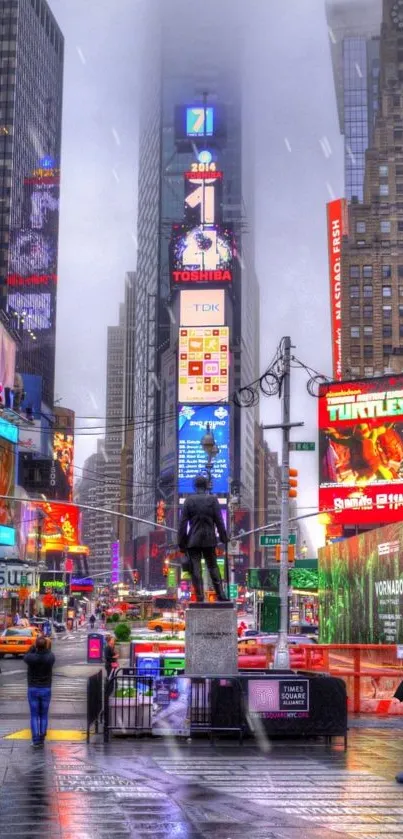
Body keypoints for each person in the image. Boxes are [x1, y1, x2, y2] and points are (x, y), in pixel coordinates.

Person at [178, 474, 229, 602]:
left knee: (195, 568)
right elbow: (219, 521)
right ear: (206, 486)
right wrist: (223, 537)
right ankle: (221, 594)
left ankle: (199, 597)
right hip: (209, 539)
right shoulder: (212, 500)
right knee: (213, 567)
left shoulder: (189, 501)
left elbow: (182, 524)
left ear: (195, 487)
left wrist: (181, 543)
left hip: (193, 540)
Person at [24, 635, 55, 748]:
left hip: (33, 688)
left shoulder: (31, 658)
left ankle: (35, 739)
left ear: (36, 646)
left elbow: (26, 656)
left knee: (34, 715)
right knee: (43, 715)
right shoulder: (50, 657)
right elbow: (49, 651)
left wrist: (32, 647)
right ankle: (42, 737)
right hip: (46, 688)